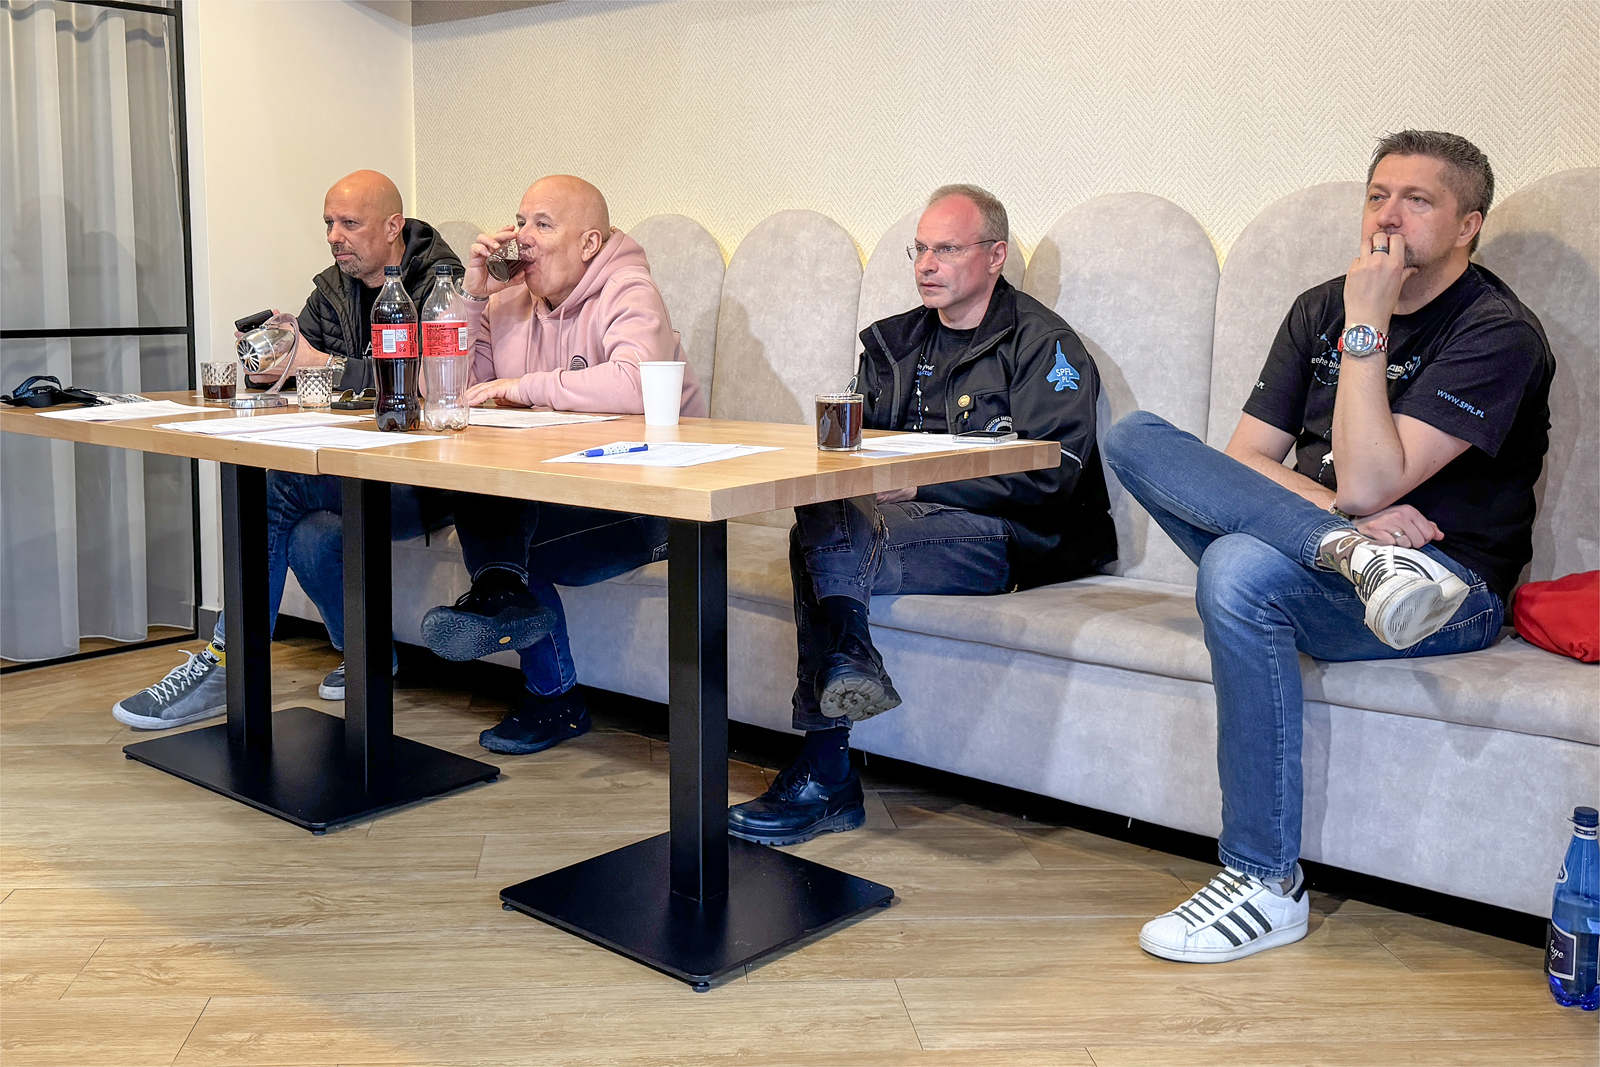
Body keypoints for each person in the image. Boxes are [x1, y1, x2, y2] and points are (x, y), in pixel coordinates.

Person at [1101, 131, 1554, 963]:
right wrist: (1340, 527)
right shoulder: (1319, 305)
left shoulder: (1497, 333)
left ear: (1468, 225)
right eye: (1378, 195)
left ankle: (1264, 882)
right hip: (1343, 559)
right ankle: (1349, 554)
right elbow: (1246, 458)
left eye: (1417, 200)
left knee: (1239, 566)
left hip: (1444, 589)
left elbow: (1374, 483)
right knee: (1133, 436)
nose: (1388, 216)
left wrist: (1368, 323)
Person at [727, 184, 1117, 846]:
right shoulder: (893, 342)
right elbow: (846, 447)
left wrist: (921, 484)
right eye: (920, 250)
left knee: (815, 548)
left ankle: (826, 773)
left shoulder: (1044, 344)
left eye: (947, 249)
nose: (927, 265)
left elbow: (1054, 475)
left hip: (1009, 538)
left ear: (995, 255)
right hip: (896, 526)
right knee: (819, 515)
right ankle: (851, 655)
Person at [113, 171, 459, 730]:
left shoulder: (441, 284)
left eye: (349, 224)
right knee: (310, 537)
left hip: (424, 481)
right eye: (328, 223)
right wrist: (274, 364)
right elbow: (307, 373)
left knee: (275, 486)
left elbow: (426, 379)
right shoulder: (332, 289)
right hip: (353, 466)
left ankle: (229, 663)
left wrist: (319, 364)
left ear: (393, 226)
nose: (334, 237)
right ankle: (368, 655)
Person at [418, 175, 707, 756]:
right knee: (477, 487)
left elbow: (634, 382)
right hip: (558, 495)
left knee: (512, 550)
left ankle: (515, 622)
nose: (521, 237)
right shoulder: (506, 299)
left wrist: (523, 387)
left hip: (650, 503)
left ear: (590, 243)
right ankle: (509, 606)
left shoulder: (629, 289)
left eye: (543, 225)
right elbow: (443, 394)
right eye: (520, 221)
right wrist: (471, 296)